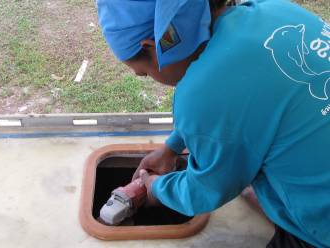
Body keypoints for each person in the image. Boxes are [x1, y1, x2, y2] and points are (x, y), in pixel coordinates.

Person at [96, 0, 330, 247]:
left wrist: (156, 189)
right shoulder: (276, 10)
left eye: (143, 72)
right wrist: (171, 148)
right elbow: (251, 105)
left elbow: (205, 190)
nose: (145, 77)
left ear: (153, 46)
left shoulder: (202, 92)